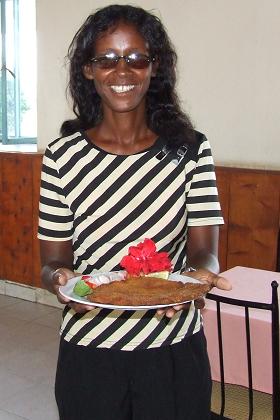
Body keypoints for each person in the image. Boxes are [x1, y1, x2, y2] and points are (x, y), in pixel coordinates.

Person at [38, 4, 231, 420]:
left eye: (135, 58)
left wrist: (196, 280)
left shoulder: (190, 149)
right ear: (88, 70)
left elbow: (205, 251)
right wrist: (60, 278)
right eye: (106, 59)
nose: (121, 71)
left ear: (154, 67)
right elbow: (51, 261)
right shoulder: (61, 156)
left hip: (172, 345)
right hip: (90, 347)